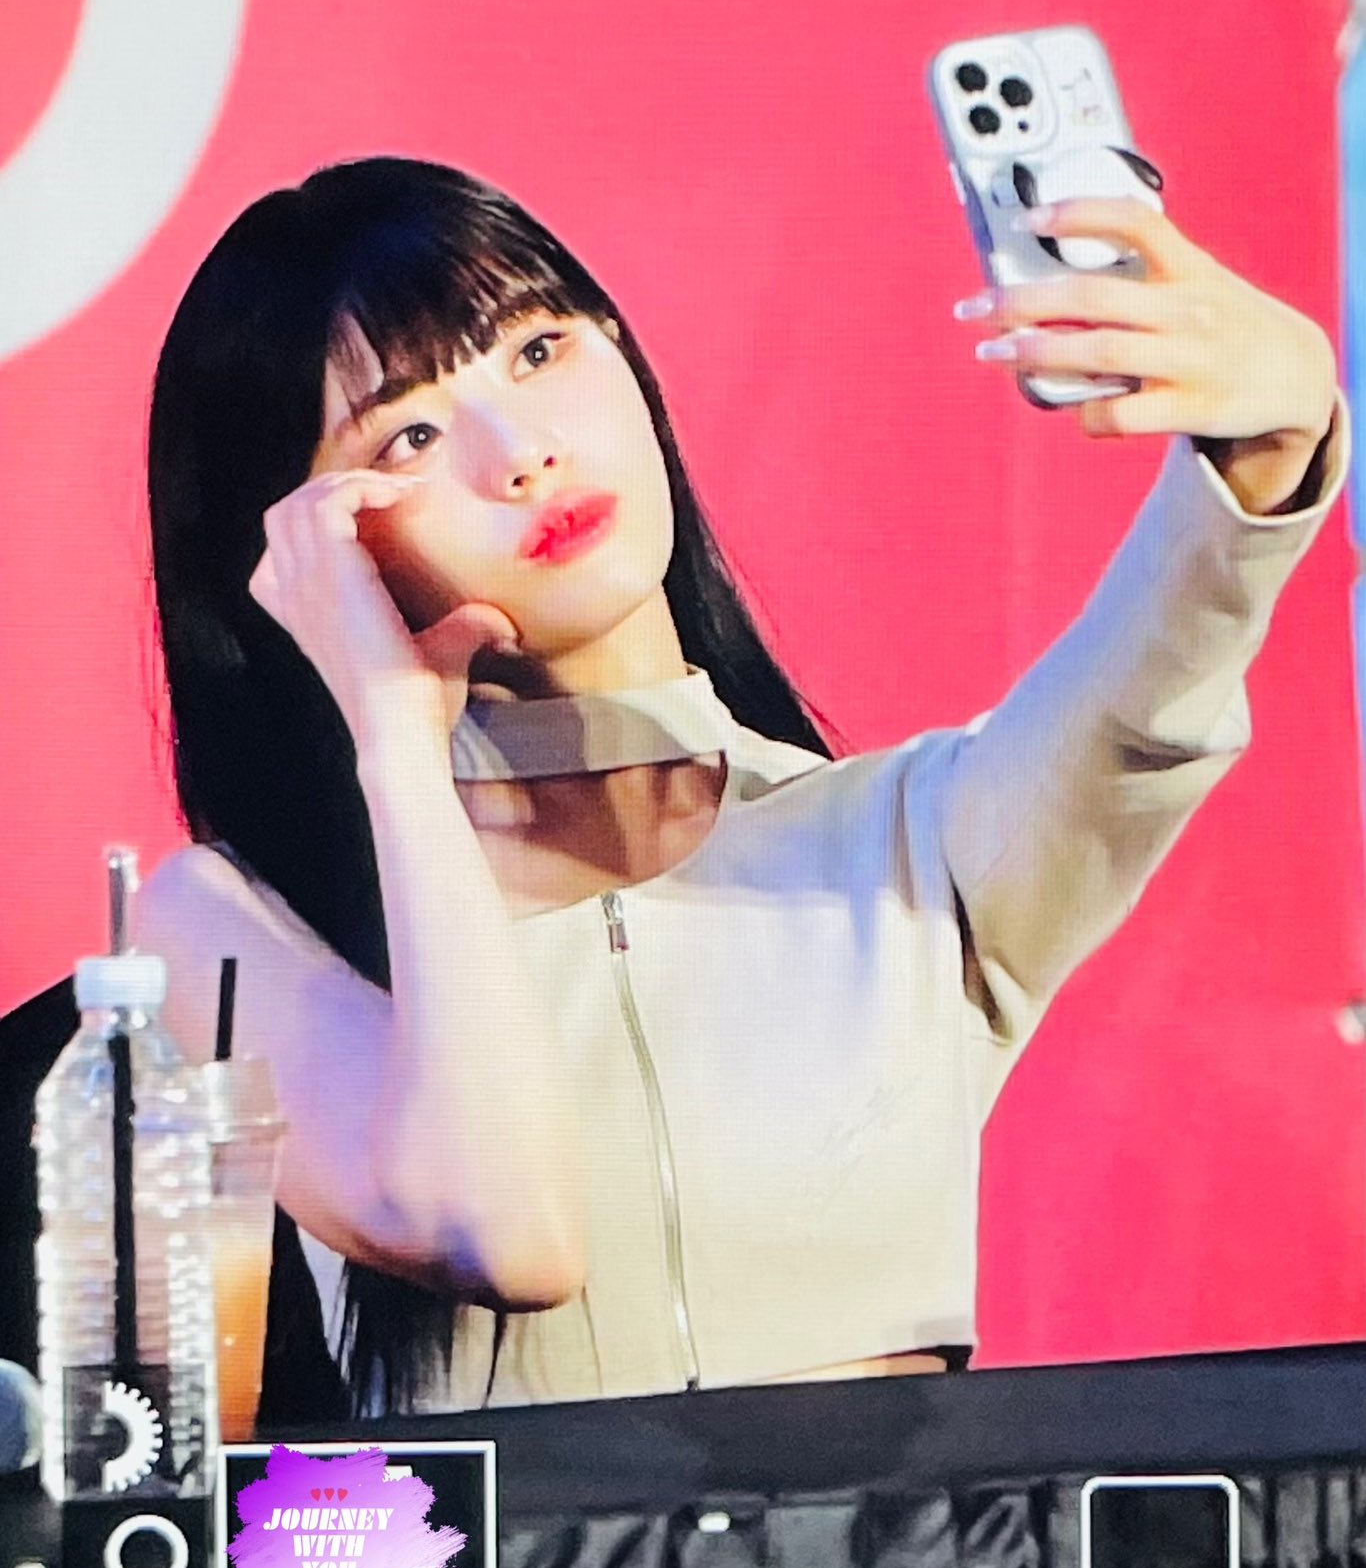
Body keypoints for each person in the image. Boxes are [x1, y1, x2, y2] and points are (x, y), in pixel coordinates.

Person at [134, 156, 1346, 1417]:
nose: (522, 453)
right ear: (297, 547)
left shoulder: (909, 845)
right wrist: (393, 740)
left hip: (876, 1550)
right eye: (413, 434)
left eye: (539, 349)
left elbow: (1147, 687)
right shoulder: (232, 926)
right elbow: (504, 1227)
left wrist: (1268, 455)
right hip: (497, 1557)